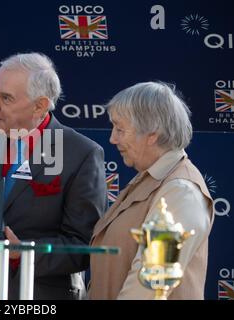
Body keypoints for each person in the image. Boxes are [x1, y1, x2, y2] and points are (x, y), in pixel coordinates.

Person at [0, 52, 107, 299]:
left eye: (5, 97)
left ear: (40, 105)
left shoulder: (81, 154)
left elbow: (83, 247)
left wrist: (22, 253)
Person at [89, 82, 214, 300]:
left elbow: (150, 283)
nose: (112, 139)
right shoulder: (153, 179)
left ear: (152, 134)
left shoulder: (180, 191)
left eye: (120, 129)